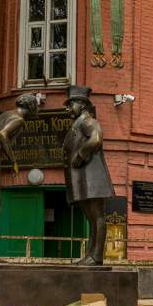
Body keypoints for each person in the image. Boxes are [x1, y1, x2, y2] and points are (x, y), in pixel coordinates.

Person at [0, 93, 42, 262]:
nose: (37, 110)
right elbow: (3, 135)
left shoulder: (5, 114)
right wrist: (13, 160)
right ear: (31, 106)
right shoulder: (19, 119)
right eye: (36, 106)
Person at [63, 85, 115, 265]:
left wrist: (81, 154)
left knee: (96, 216)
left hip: (93, 178)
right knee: (91, 218)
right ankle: (91, 255)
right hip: (84, 179)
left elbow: (96, 138)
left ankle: (97, 256)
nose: (67, 108)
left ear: (82, 104)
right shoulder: (77, 124)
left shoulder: (87, 121)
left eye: (71, 104)